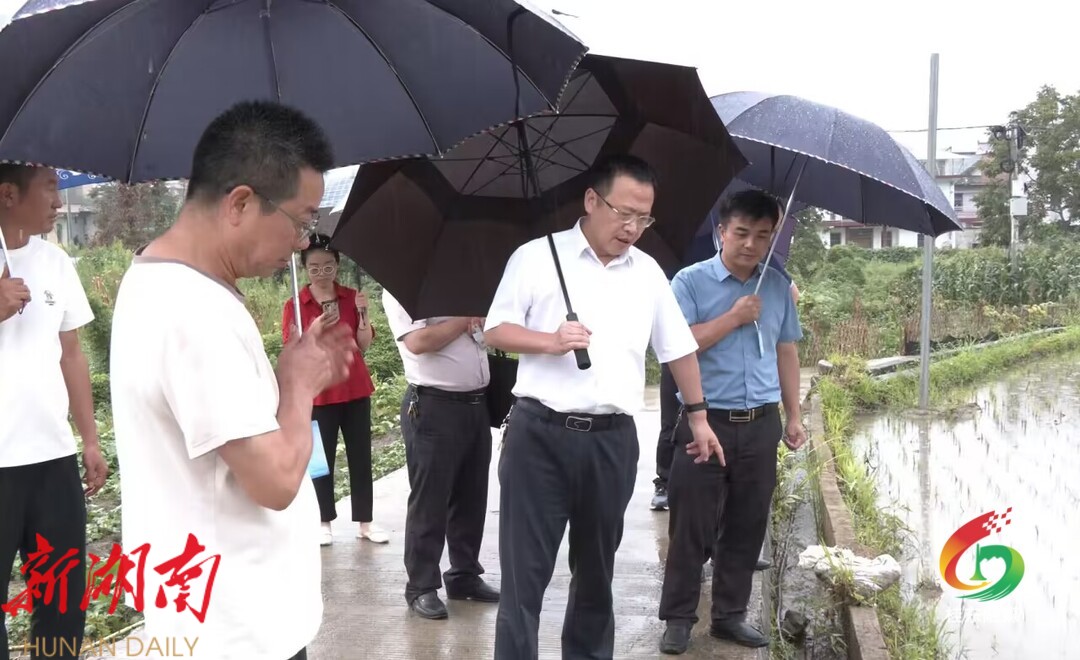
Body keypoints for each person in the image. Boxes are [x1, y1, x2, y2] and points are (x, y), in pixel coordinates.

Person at [109, 101, 357, 660]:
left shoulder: (159, 278)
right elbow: (275, 481)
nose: (303, 242)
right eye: (301, 221)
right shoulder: (192, 310)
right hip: (236, 627)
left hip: (220, 611)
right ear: (240, 203)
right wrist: (298, 385)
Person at [484, 154, 722, 660]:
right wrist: (550, 341)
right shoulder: (536, 257)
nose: (632, 227)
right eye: (624, 213)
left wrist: (699, 416)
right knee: (525, 576)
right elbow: (495, 330)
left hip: (612, 441)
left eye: (644, 218)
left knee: (596, 574)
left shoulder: (648, 272)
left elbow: (677, 348)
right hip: (538, 437)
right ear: (592, 200)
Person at [657, 189, 806, 654]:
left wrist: (794, 415)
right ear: (722, 232)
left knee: (747, 523)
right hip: (705, 420)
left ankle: (729, 616)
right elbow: (677, 346)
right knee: (692, 525)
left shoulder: (776, 286)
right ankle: (678, 617)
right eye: (741, 233)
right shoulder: (689, 282)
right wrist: (734, 317)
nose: (750, 244)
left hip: (760, 423)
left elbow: (786, 351)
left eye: (762, 235)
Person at [0, 165, 106, 660]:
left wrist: (90, 439)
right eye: (49, 189)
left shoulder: (56, 262)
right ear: (8, 194)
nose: (59, 202)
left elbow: (72, 354)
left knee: (62, 604)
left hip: (52, 460)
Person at [382, 291, 499, 620]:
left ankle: (464, 575)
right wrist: (463, 318)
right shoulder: (405, 289)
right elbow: (418, 341)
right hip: (433, 404)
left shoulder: (463, 286)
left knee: (471, 495)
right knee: (430, 499)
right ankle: (421, 586)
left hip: (475, 403)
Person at [283, 233, 386, 547]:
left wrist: (364, 314)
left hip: (354, 388)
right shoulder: (296, 305)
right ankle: (323, 520)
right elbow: (292, 350)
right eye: (314, 268)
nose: (322, 273)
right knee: (320, 459)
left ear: (337, 265)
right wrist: (314, 330)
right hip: (319, 393)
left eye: (328, 266)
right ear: (305, 269)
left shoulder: (351, 297)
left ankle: (365, 522)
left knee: (361, 455)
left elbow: (363, 345)